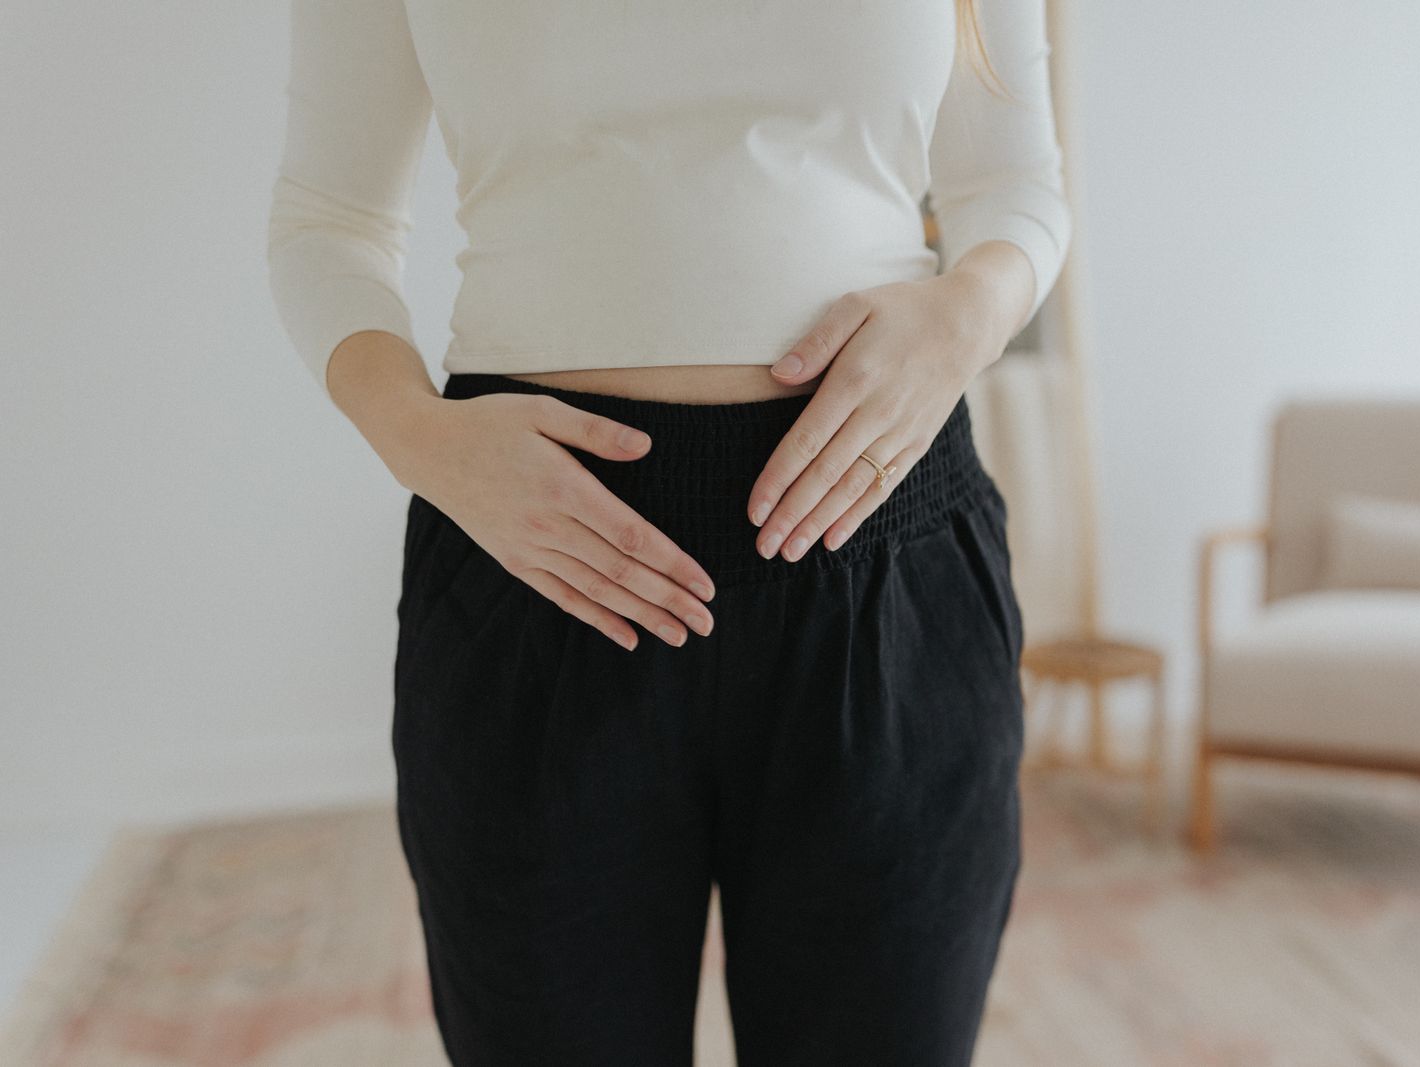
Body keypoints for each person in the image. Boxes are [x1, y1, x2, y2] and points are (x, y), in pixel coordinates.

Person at [266, 0, 1070, 1063]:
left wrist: (966, 316)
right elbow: (328, 220)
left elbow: (1011, 191)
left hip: (884, 562)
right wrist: (418, 434)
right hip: (541, 561)